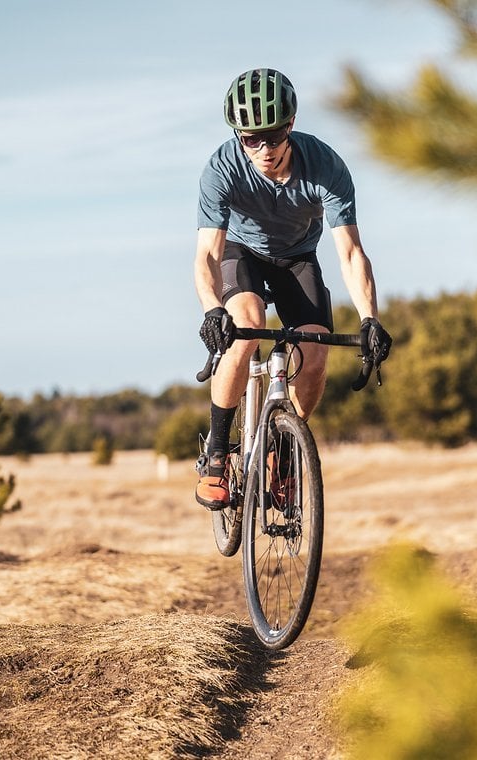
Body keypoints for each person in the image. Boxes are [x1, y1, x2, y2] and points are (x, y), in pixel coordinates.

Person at [193, 67, 392, 509]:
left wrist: (369, 319)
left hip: (296, 257)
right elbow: (208, 253)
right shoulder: (221, 170)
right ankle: (219, 455)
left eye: (274, 136)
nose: (263, 149)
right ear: (238, 136)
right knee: (246, 325)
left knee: (316, 351)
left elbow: (351, 252)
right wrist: (211, 310)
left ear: (291, 126)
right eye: (251, 139)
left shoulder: (326, 167)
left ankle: (282, 454)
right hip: (240, 254)